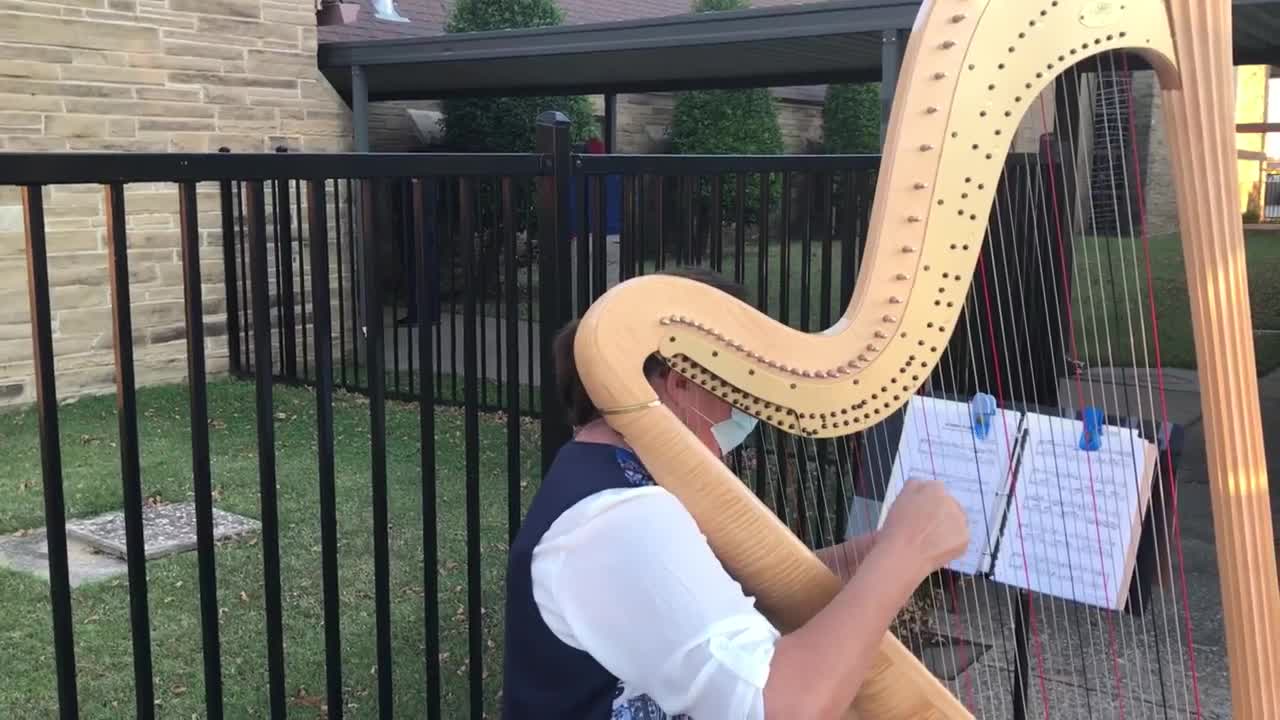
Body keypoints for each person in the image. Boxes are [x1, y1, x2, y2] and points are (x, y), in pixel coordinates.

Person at [502, 267, 970, 720]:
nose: (749, 404)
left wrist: (867, 558)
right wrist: (905, 554)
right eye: (741, 382)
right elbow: (777, 708)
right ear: (682, 382)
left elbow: (716, 600)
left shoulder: (607, 478)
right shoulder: (624, 519)